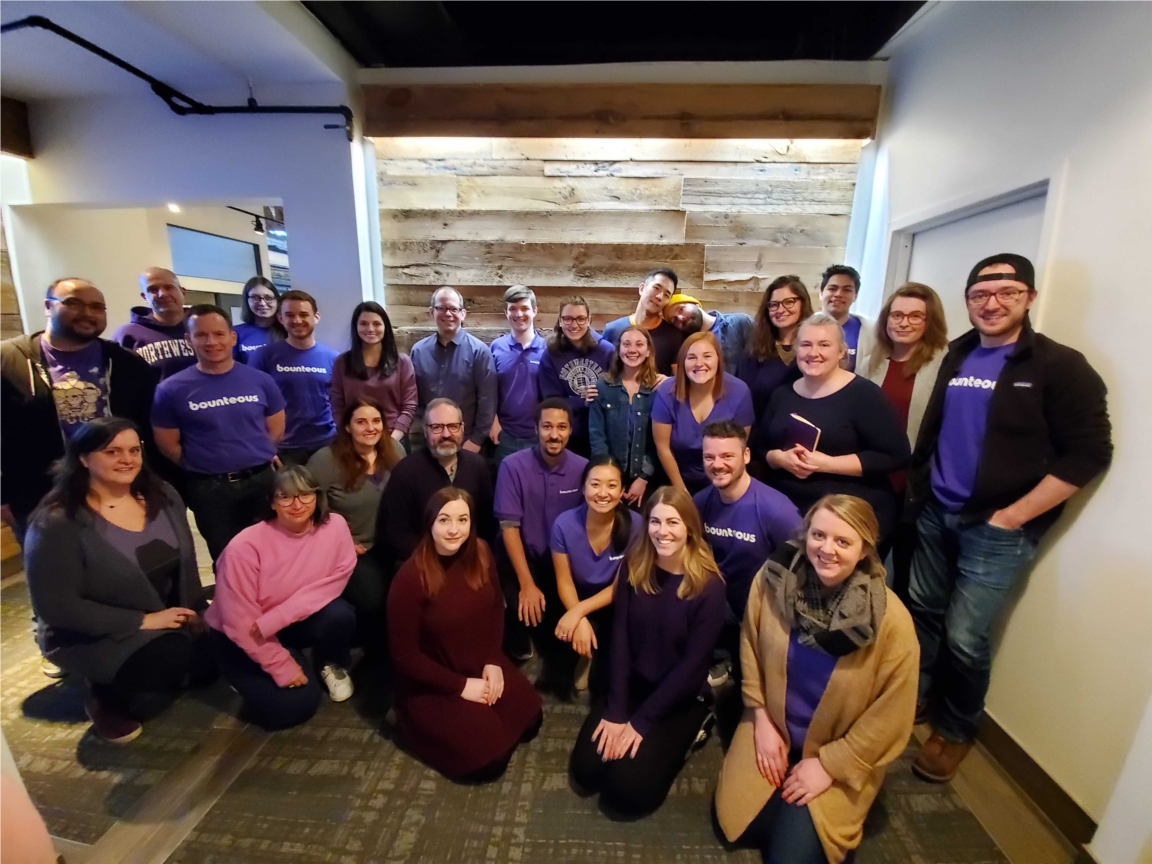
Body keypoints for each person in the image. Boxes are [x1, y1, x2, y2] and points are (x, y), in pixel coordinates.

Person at [907, 253, 1111, 782]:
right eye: (980, 294)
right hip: (937, 510)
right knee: (923, 611)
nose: (992, 303)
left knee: (964, 636)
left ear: (1030, 298)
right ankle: (917, 696)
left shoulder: (1060, 366)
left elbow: (1090, 452)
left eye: (1007, 293)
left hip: (994, 529)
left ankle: (954, 731)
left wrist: (1015, 515)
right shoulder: (957, 354)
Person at [714, 495, 918, 864]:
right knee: (741, 825)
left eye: (843, 542)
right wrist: (760, 717)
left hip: (837, 749)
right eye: (819, 535)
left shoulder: (892, 624)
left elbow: (892, 717)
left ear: (865, 550)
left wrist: (829, 766)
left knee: (789, 857)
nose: (827, 550)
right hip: (773, 724)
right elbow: (750, 645)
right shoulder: (773, 578)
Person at [24, 418, 210, 743]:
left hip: (165, 613)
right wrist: (145, 620)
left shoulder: (162, 494)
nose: (127, 459)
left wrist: (195, 612)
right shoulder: (57, 523)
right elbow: (58, 609)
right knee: (170, 658)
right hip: (94, 632)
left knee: (216, 657)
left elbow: (186, 564)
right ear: (83, 458)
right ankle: (104, 696)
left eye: (134, 450)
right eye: (112, 451)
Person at [569, 486, 725, 817]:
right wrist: (616, 709)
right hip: (634, 683)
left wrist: (639, 722)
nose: (662, 531)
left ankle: (696, 728)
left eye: (673, 522)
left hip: (677, 699)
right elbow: (621, 638)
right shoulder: (634, 565)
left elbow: (692, 667)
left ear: (689, 528)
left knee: (627, 792)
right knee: (586, 771)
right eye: (655, 521)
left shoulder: (709, 587)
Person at [388, 487, 544, 782]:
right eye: (444, 520)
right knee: (490, 763)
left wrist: (493, 660)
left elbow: (497, 607)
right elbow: (406, 658)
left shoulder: (482, 552)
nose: (453, 530)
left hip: (478, 661)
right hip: (433, 681)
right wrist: (460, 686)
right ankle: (409, 723)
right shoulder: (410, 578)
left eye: (462, 520)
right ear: (430, 524)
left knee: (531, 722)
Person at [2, 278, 156, 545]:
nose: (87, 313)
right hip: (41, 496)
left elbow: (146, 428)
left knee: (127, 571)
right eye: (74, 303)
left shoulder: (128, 364)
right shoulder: (8, 361)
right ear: (48, 306)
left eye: (97, 307)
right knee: (56, 576)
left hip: (119, 491)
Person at [206, 465, 358, 730]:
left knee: (340, 614)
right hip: (243, 633)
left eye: (304, 495)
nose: (297, 504)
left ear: (317, 496)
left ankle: (326, 662)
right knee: (293, 708)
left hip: (279, 623)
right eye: (285, 496)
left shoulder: (335, 526)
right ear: (272, 502)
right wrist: (280, 665)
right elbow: (239, 621)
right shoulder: (243, 548)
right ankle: (237, 671)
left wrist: (279, 617)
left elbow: (339, 576)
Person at [151, 305, 286, 562]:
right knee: (226, 558)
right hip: (209, 489)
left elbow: (276, 429)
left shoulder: (260, 380)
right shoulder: (171, 389)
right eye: (201, 335)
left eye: (219, 334)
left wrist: (254, 453)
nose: (211, 342)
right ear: (189, 340)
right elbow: (168, 444)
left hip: (262, 482)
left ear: (232, 337)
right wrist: (208, 462)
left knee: (272, 552)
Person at [762, 313, 910, 544]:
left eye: (824, 345)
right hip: (789, 514)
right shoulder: (783, 394)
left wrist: (826, 464)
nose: (814, 353)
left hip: (846, 516)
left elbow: (895, 455)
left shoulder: (864, 394)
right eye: (806, 344)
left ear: (841, 351)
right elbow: (761, 448)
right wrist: (780, 458)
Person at [694, 422, 803, 687]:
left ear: (746, 456)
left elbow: (802, 568)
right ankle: (721, 658)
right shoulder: (700, 502)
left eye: (727, 456)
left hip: (765, 605)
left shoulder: (776, 510)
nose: (717, 464)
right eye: (709, 457)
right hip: (721, 600)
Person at [494, 398, 588, 690]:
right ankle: (519, 635)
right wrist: (526, 584)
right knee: (518, 610)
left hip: (563, 560)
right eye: (547, 426)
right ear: (536, 429)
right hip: (523, 554)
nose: (554, 434)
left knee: (564, 629)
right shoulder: (512, 466)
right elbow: (509, 527)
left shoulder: (583, 468)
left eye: (561, 427)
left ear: (570, 431)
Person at [863, 282, 949, 600]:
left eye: (915, 316)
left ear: (930, 322)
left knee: (908, 573)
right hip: (873, 482)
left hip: (917, 486)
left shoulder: (944, 364)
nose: (904, 322)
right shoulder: (872, 362)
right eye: (897, 315)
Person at [307, 398, 404, 666]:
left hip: (392, 540)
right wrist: (339, 540)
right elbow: (307, 509)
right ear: (348, 427)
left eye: (376, 421)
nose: (370, 428)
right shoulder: (326, 460)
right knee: (375, 600)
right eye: (361, 422)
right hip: (354, 548)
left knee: (410, 591)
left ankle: (406, 650)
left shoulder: (394, 449)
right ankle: (377, 660)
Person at [551, 456, 641, 692]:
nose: (603, 493)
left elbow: (621, 585)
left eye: (612, 486)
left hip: (617, 596)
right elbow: (564, 581)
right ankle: (585, 654)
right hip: (577, 595)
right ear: (583, 487)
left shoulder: (636, 525)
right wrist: (578, 617)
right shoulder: (564, 524)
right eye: (595, 484)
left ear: (622, 491)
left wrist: (579, 613)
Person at [375, 398, 495, 571]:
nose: (446, 434)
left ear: (462, 428)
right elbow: (395, 533)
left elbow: (486, 526)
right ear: (425, 431)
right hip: (422, 565)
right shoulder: (406, 471)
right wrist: (437, 561)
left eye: (453, 426)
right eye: (437, 427)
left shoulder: (478, 466)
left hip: (468, 563)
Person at [652, 332, 754, 496]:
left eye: (707, 356)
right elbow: (663, 447)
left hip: (725, 480)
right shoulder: (667, 391)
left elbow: (738, 450)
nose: (699, 363)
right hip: (677, 480)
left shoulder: (739, 392)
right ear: (682, 362)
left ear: (718, 360)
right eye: (691, 357)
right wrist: (682, 492)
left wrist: (716, 494)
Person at [251, 290, 339, 465]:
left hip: (327, 445)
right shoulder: (264, 356)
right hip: (283, 450)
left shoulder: (333, 358)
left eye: (304, 314)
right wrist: (264, 447)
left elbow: (339, 402)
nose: (297, 320)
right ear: (281, 318)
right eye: (290, 315)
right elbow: (252, 406)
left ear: (316, 317)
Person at [410, 286, 497, 452]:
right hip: (431, 444)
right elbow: (416, 399)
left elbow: (488, 401)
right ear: (431, 312)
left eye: (453, 309)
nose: (448, 314)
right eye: (441, 308)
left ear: (463, 313)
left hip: (468, 444)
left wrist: (476, 441)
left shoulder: (479, 351)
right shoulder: (418, 351)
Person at [738, 276, 812, 466]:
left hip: (808, 446)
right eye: (774, 305)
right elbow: (744, 402)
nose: (780, 310)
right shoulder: (755, 351)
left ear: (803, 303)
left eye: (789, 302)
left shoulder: (814, 351)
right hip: (763, 449)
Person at [328, 301, 418, 448]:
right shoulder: (342, 362)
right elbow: (337, 404)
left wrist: (393, 441)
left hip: (394, 440)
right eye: (363, 323)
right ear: (356, 327)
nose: (370, 329)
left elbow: (409, 405)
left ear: (385, 327)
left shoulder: (402, 362)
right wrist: (349, 436)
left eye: (376, 324)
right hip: (354, 442)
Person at [589, 325, 660, 506]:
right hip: (610, 480)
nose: (632, 350)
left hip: (648, 481)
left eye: (639, 344)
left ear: (648, 350)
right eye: (626, 344)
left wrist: (644, 478)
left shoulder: (658, 389)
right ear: (619, 349)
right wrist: (611, 480)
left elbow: (659, 442)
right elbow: (597, 437)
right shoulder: (602, 387)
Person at [538, 295, 614, 457]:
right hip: (567, 437)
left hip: (604, 434)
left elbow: (617, 390)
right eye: (568, 319)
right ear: (560, 321)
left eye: (580, 319)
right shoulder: (551, 354)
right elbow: (551, 400)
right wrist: (582, 400)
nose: (574, 325)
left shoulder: (607, 351)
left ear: (589, 320)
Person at [488, 285, 547, 469]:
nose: (519, 314)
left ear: (534, 311)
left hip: (538, 437)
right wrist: (493, 422)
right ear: (506, 312)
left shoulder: (548, 349)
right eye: (513, 308)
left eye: (524, 308)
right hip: (504, 436)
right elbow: (488, 390)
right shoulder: (496, 348)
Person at [112, 267, 196, 379]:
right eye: (153, 289)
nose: (162, 294)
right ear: (144, 296)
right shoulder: (126, 335)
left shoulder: (205, 327)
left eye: (169, 287)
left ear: (183, 291)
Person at [601, 268, 685, 375]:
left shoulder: (674, 336)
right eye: (656, 288)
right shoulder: (612, 330)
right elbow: (601, 372)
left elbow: (678, 382)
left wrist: (668, 382)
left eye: (666, 295)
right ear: (642, 289)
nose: (659, 297)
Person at [665, 293, 755, 372]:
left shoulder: (740, 323)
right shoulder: (684, 345)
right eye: (674, 320)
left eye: (681, 309)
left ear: (696, 305)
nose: (680, 318)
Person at [817, 265, 874, 373]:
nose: (838, 294)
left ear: (855, 296)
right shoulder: (804, 327)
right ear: (821, 292)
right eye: (832, 289)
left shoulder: (870, 332)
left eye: (847, 290)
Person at [233, 276, 286, 360]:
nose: (262, 303)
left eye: (268, 298)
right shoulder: (236, 333)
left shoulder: (288, 330)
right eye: (255, 298)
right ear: (247, 300)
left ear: (277, 300)